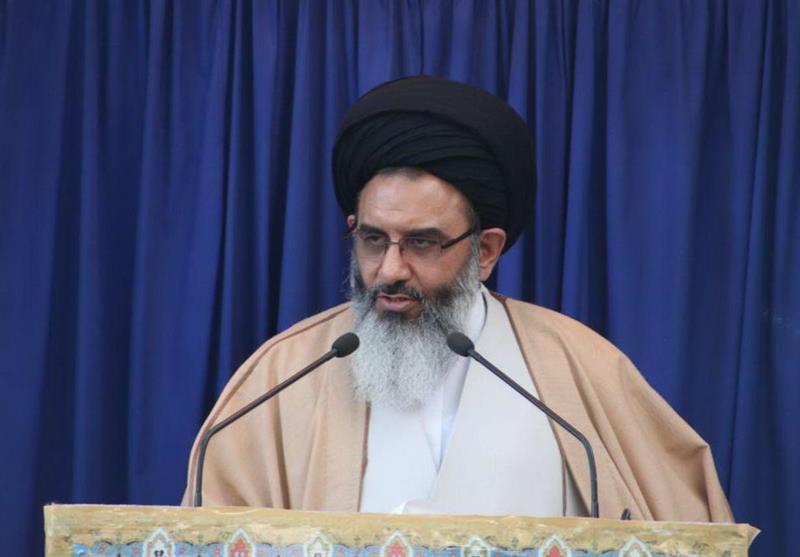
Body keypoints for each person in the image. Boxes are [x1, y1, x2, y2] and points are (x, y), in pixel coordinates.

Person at [182, 76, 733, 522]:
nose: (389, 270)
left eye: (422, 243)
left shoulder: (580, 368)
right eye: (372, 239)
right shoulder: (282, 375)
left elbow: (685, 530)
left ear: (486, 250)